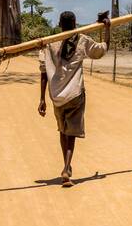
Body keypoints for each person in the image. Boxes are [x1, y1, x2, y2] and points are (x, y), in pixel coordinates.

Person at [38, 10, 109, 186]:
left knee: (63, 131)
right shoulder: (83, 41)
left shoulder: (49, 44)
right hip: (75, 94)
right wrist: (106, 29)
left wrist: (42, 99)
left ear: (59, 24)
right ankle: (67, 167)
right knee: (72, 134)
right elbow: (101, 50)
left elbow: (43, 73)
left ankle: (66, 167)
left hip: (56, 96)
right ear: (75, 23)